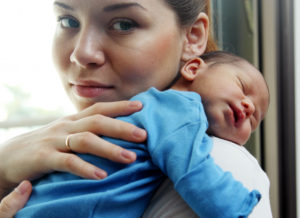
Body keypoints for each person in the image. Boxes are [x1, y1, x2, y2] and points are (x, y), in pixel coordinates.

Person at [0, 0, 272, 217]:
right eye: (68, 20)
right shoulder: (42, 152)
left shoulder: (224, 164)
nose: (82, 54)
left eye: (123, 24)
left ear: (192, 36)